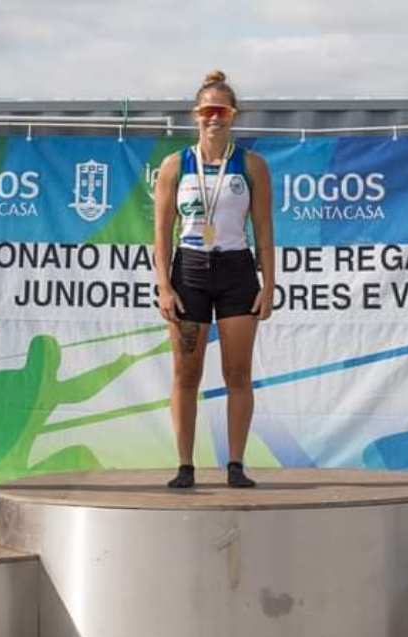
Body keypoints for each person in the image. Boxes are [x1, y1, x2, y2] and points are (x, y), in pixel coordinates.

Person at [153, 70, 274, 488]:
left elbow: (264, 230)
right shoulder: (175, 165)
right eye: (207, 111)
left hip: (237, 270)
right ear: (196, 115)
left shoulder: (252, 165)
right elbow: (161, 231)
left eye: (221, 110)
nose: (214, 118)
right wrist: (164, 287)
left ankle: (236, 465)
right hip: (189, 271)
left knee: (237, 374)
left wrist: (269, 286)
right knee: (186, 373)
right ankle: (185, 466)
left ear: (233, 115)